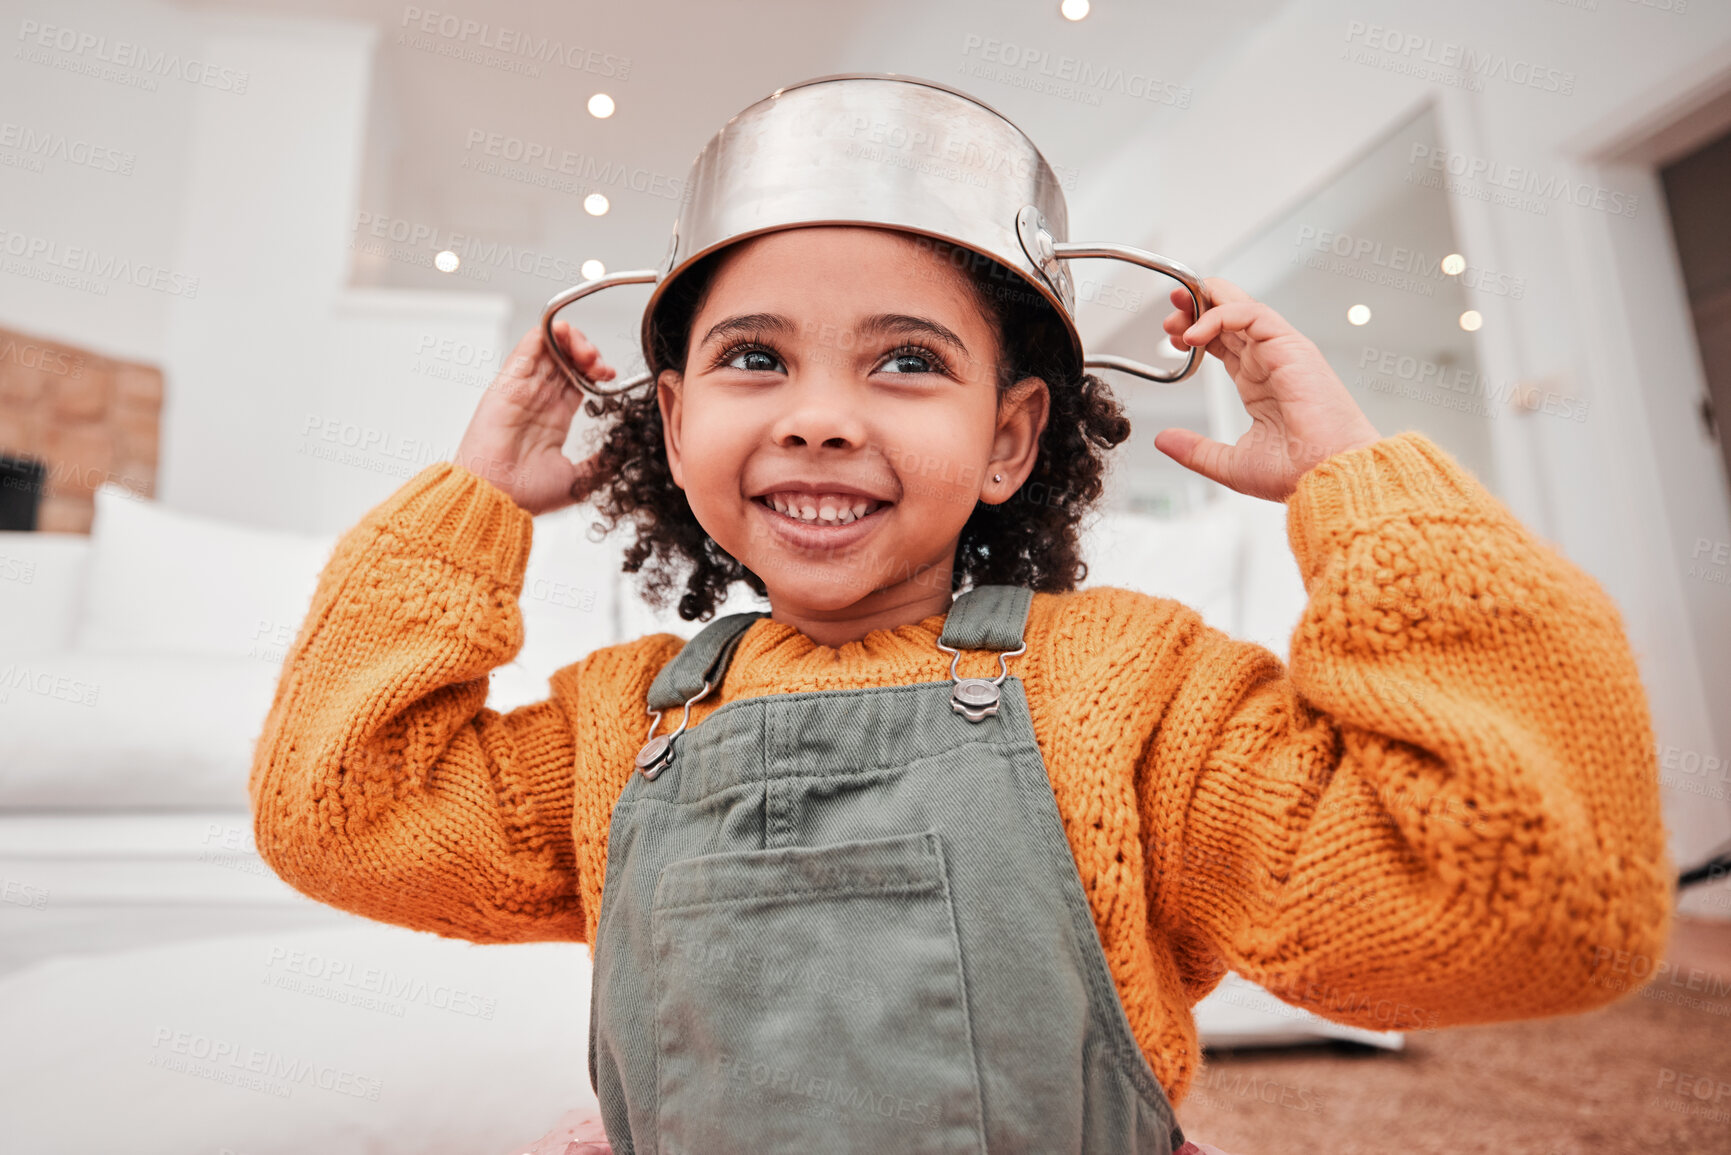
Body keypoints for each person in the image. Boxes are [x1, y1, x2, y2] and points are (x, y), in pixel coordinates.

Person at [249, 210, 1671, 1155]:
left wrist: (1363, 488)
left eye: (906, 363)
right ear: (673, 424)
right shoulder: (623, 720)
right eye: (754, 360)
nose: (816, 415)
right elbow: (340, 814)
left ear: (1009, 439)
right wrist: (466, 506)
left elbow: (1534, 905)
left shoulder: (1136, 688)